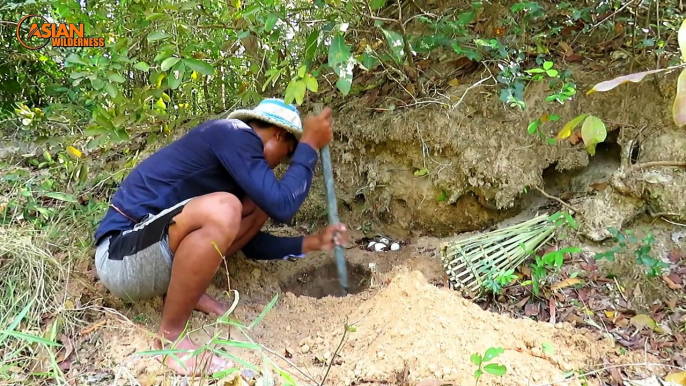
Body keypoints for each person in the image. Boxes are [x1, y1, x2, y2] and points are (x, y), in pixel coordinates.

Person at [93, 98, 349, 376]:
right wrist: (309, 145)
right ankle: (171, 338)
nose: (278, 166)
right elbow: (284, 204)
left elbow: (247, 243)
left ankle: (185, 290)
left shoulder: (233, 169)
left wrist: (309, 243)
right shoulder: (234, 133)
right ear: (278, 134)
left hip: (151, 255)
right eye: (286, 153)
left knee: (255, 203)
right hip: (119, 256)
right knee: (227, 208)